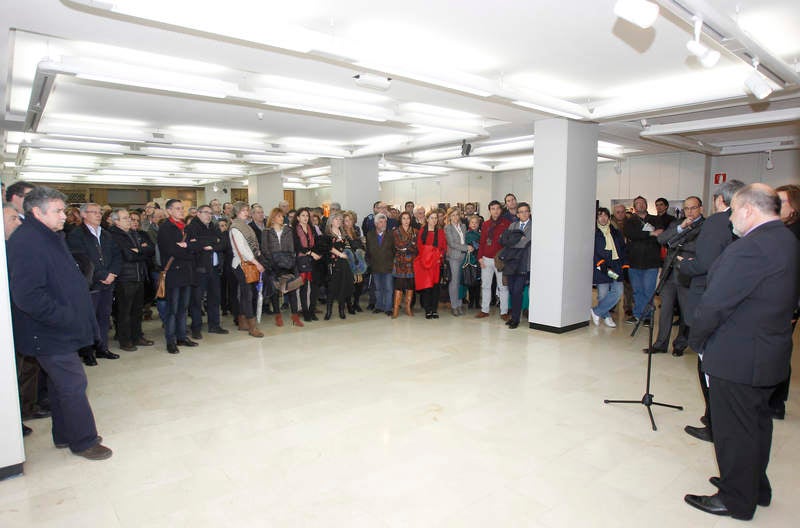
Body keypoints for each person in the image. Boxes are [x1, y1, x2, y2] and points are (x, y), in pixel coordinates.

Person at [684, 183, 799, 521]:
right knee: (757, 425)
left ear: (748, 209)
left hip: (738, 356)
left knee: (734, 431)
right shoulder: (786, 239)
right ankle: (754, 487)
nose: (731, 217)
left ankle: (735, 499)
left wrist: (698, 342)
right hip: (768, 351)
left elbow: (714, 305)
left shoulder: (750, 248)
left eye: (733, 210)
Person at [7, 186, 112, 460]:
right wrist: (66, 316)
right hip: (48, 330)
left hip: (58, 328)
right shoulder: (27, 241)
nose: (64, 216)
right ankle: (84, 440)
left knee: (59, 385)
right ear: (36, 212)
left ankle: (65, 434)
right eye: (57, 211)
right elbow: (28, 296)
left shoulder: (48, 235)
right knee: (74, 383)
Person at [678, 180, 745, 443]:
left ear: (719, 200)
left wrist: (686, 265)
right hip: (732, 303)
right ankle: (714, 417)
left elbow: (705, 264)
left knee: (708, 363)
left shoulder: (717, 222)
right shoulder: (744, 226)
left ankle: (715, 423)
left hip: (709, 298)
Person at [648, 196, 704, 355]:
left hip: (687, 274)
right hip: (670, 273)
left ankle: (680, 345)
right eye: (687, 208)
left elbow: (696, 247)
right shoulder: (677, 223)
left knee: (686, 312)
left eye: (693, 208)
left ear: (701, 208)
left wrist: (677, 242)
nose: (690, 211)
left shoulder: (705, 226)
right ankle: (660, 344)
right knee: (665, 310)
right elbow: (661, 239)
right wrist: (680, 229)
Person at [67, 203, 121, 362]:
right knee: (88, 318)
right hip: (91, 284)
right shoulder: (77, 234)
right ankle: (88, 351)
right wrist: (102, 274)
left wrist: (113, 273)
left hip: (108, 282)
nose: (98, 215)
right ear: (84, 215)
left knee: (104, 316)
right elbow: (82, 259)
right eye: (94, 212)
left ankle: (102, 347)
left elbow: (116, 255)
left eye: (100, 212)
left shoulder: (106, 234)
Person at [768, 184, 800, 420]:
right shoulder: (777, 230)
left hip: (785, 304)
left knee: (778, 352)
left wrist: (793, 307)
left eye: (782, 201)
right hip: (770, 301)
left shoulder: (794, 233)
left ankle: (777, 401)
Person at [108, 208, 154, 352]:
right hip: (125, 278)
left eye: (129, 218)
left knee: (137, 310)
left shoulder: (134, 233)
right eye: (125, 218)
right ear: (116, 221)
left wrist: (139, 250)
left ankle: (137, 336)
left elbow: (150, 250)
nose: (130, 220)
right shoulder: (114, 235)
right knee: (125, 311)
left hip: (139, 275)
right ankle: (125, 340)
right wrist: (141, 250)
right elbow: (128, 255)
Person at [157, 199, 200, 353]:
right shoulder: (165, 228)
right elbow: (171, 250)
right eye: (177, 208)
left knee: (183, 308)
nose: (181, 211)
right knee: (172, 310)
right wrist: (189, 249)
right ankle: (171, 340)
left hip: (187, 273)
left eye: (182, 208)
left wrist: (187, 246)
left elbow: (197, 246)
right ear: (169, 211)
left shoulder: (187, 228)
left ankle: (182, 337)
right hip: (174, 273)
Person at [186, 204, 229, 338]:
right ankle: (196, 328)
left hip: (214, 268)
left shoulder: (213, 226)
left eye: (210, 213)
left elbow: (223, 242)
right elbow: (193, 245)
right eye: (206, 212)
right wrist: (211, 241)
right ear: (198, 213)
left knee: (214, 298)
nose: (209, 215)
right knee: (197, 300)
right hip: (200, 269)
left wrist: (211, 244)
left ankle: (214, 325)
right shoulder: (192, 226)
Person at [623, 196, 663, 325]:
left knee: (648, 290)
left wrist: (642, 235)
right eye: (637, 204)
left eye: (642, 203)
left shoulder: (656, 219)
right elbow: (631, 234)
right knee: (637, 290)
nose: (640, 205)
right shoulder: (630, 221)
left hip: (651, 261)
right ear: (634, 207)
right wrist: (650, 234)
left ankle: (647, 316)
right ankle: (637, 314)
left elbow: (660, 234)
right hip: (634, 261)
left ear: (646, 205)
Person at [263, 207, 305, 327]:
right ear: (273, 218)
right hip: (274, 265)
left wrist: (291, 262)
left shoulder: (288, 230)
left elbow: (292, 248)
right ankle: (278, 315)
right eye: (279, 216)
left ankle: (295, 316)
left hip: (288, 264)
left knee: (291, 289)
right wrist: (272, 264)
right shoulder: (266, 232)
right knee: (275, 292)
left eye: (282, 216)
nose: (282, 218)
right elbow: (265, 250)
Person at [229, 202, 265, 337]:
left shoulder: (244, 226)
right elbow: (243, 250)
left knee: (246, 294)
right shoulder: (236, 228)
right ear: (237, 212)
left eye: (246, 210)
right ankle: (252, 327)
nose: (246, 212)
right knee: (248, 295)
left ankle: (243, 322)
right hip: (242, 264)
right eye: (243, 210)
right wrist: (257, 263)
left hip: (247, 263)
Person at [591, 207, 627, 328]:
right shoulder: (593, 233)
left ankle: (597, 311)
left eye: (605, 215)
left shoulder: (615, 232)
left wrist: (624, 265)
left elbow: (622, 249)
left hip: (615, 267)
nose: (603, 218)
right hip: (602, 268)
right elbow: (593, 252)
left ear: (609, 217)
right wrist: (602, 265)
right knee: (603, 294)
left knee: (618, 291)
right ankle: (606, 316)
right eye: (600, 215)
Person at [475, 200, 511, 320]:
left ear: (501, 210)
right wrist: (479, 257)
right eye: (493, 208)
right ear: (489, 210)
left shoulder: (507, 223)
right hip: (486, 259)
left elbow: (509, 243)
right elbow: (482, 241)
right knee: (485, 285)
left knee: (503, 286)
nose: (495, 211)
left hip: (500, 260)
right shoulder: (485, 224)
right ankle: (484, 310)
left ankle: (504, 312)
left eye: (497, 208)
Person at [501, 202, 532, 329]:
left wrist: (513, 241)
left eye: (526, 211)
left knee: (518, 290)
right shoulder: (513, 225)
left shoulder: (534, 226)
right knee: (512, 290)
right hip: (511, 262)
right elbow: (504, 240)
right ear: (517, 214)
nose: (524, 214)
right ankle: (514, 316)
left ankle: (516, 319)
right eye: (521, 212)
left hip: (525, 262)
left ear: (529, 212)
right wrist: (518, 240)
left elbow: (526, 242)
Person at [414, 210, 447, 319]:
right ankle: (428, 310)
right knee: (427, 287)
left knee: (435, 287)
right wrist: (427, 255)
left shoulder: (440, 232)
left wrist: (439, 255)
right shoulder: (422, 231)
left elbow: (444, 247)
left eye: (436, 218)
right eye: (432, 218)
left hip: (436, 263)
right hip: (425, 262)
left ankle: (434, 309)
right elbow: (419, 246)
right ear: (427, 219)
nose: (434, 220)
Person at [322, 212, 355, 320]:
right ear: (331, 221)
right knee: (332, 288)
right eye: (336, 219)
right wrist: (340, 254)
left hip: (343, 263)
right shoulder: (327, 234)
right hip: (333, 263)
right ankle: (329, 311)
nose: (339, 221)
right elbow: (329, 247)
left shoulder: (342, 233)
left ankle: (341, 310)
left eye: (340, 220)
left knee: (343, 286)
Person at [293, 207, 322, 322]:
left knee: (314, 288)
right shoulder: (295, 229)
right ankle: (305, 312)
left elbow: (316, 244)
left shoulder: (312, 228)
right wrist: (310, 253)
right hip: (302, 260)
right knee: (303, 287)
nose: (305, 218)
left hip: (313, 260)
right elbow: (297, 246)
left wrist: (317, 253)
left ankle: (312, 310)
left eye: (307, 216)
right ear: (298, 217)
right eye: (303, 216)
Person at [444, 206, 472, 316]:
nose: (455, 217)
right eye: (453, 215)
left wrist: (470, 246)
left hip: (464, 257)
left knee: (460, 282)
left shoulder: (463, 226)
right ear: (449, 217)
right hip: (454, 258)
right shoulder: (448, 228)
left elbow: (465, 239)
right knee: (454, 282)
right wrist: (466, 247)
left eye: (457, 215)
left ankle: (459, 304)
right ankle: (454, 306)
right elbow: (452, 244)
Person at [365, 212, 395, 316]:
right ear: (376, 224)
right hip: (375, 266)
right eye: (381, 222)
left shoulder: (391, 234)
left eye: (385, 222)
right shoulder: (370, 235)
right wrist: (369, 263)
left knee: (388, 288)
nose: (383, 224)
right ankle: (379, 306)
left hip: (388, 266)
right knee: (378, 289)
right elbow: (368, 251)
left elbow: (394, 250)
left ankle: (388, 308)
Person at [392, 211, 417, 317]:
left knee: (410, 286)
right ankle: (396, 309)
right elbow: (398, 246)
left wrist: (408, 246)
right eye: (404, 218)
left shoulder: (415, 231)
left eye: (408, 218)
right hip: (400, 262)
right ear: (400, 220)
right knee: (399, 285)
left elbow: (416, 248)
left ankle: (408, 308)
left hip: (411, 262)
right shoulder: (396, 231)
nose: (406, 221)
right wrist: (411, 243)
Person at [611, 204, 634, 317]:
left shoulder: (631, 223)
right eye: (617, 212)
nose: (620, 214)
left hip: (627, 258)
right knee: (613, 282)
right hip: (614, 259)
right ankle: (612, 305)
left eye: (622, 212)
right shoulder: (609, 224)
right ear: (614, 213)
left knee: (628, 284)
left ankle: (628, 307)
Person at [342, 210, 366, 313]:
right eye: (346, 220)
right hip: (348, 261)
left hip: (358, 260)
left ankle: (356, 303)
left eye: (350, 220)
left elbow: (360, 244)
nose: (348, 222)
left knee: (359, 284)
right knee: (349, 284)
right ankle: (349, 305)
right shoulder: (342, 233)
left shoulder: (356, 231)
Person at [464, 215, 482, 309]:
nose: (474, 224)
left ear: (479, 224)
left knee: (478, 282)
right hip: (470, 260)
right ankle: (471, 301)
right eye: (472, 222)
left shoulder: (481, 234)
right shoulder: (467, 234)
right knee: (471, 281)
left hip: (479, 260)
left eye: (476, 223)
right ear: (469, 224)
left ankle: (477, 302)